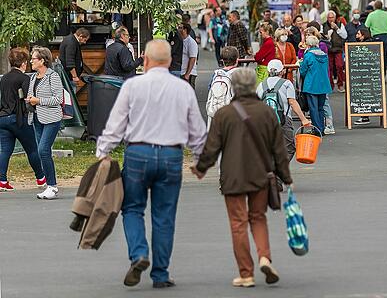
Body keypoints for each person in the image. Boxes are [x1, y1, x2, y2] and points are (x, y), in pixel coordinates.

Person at [96, 39, 207, 288]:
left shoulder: (132, 86)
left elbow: (116, 124)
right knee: (164, 215)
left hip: (137, 154)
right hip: (171, 156)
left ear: (144, 60)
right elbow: (197, 131)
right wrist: (200, 160)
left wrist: (103, 152)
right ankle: (160, 274)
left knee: (132, 208)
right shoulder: (183, 89)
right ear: (169, 62)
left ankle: (138, 254)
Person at [192, 68, 291, 288]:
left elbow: (212, 148)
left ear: (234, 87)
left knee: (238, 224)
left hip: (233, 176)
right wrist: (285, 176)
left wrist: (201, 168)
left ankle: (246, 273)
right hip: (261, 175)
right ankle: (265, 257)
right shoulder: (266, 112)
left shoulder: (224, 114)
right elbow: (279, 149)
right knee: (258, 217)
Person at [0, 48, 46, 192]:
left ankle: (2, 180)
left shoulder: (4, 78)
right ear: (24, 63)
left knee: (5, 151)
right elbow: (28, 98)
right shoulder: (25, 78)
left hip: (2, 118)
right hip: (18, 118)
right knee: (32, 148)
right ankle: (41, 178)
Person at [25, 47, 63, 200]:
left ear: (42, 60)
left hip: (51, 119)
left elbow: (58, 99)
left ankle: (52, 186)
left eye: (33, 59)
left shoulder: (52, 76)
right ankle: (50, 185)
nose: (31, 61)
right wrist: (29, 100)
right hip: (36, 117)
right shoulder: (33, 77)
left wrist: (38, 101)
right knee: (43, 153)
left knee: (43, 150)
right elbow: (30, 94)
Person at [257, 60, 311, 161]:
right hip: (284, 120)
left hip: (265, 121)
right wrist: (303, 119)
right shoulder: (286, 83)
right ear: (281, 71)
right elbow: (292, 102)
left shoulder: (261, 85)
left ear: (268, 71)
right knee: (289, 148)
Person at [299, 35, 332, 134]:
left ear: (308, 45)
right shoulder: (324, 54)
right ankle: (321, 128)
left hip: (311, 85)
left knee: (313, 109)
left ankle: (317, 129)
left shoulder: (308, 55)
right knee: (320, 108)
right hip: (323, 84)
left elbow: (303, 71)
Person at [206, 46, 239, 128]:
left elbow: (211, 90)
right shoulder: (239, 74)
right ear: (237, 60)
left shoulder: (216, 73)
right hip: (231, 114)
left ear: (222, 61)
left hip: (215, 112)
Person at [364, 1, 387, 71]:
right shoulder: (386, 14)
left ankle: (377, 73)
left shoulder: (371, 15)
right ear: (382, 6)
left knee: (376, 56)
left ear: (374, 7)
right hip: (386, 36)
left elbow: (366, 26)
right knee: (384, 55)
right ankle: (383, 74)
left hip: (376, 36)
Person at [323, 10, 348, 93]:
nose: (330, 19)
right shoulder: (323, 25)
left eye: (332, 17)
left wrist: (337, 28)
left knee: (340, 66)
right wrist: (326, 37)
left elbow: (344, 36)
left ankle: (340, 84)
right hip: (328, 49)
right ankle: (330, 85)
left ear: (335, 18)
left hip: (338, 49)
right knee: (329, 68)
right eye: (329, 17)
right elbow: (320, 36)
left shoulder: (340, 25)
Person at [179, 23, 199, 88]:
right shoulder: (181, 41)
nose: (178, 29)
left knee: (190, 93)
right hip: (182, 72)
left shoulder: (191, 42)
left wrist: (187, 74)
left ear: (185, 30)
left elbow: (192, 58)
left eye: (180, 28)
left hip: (189, 73)